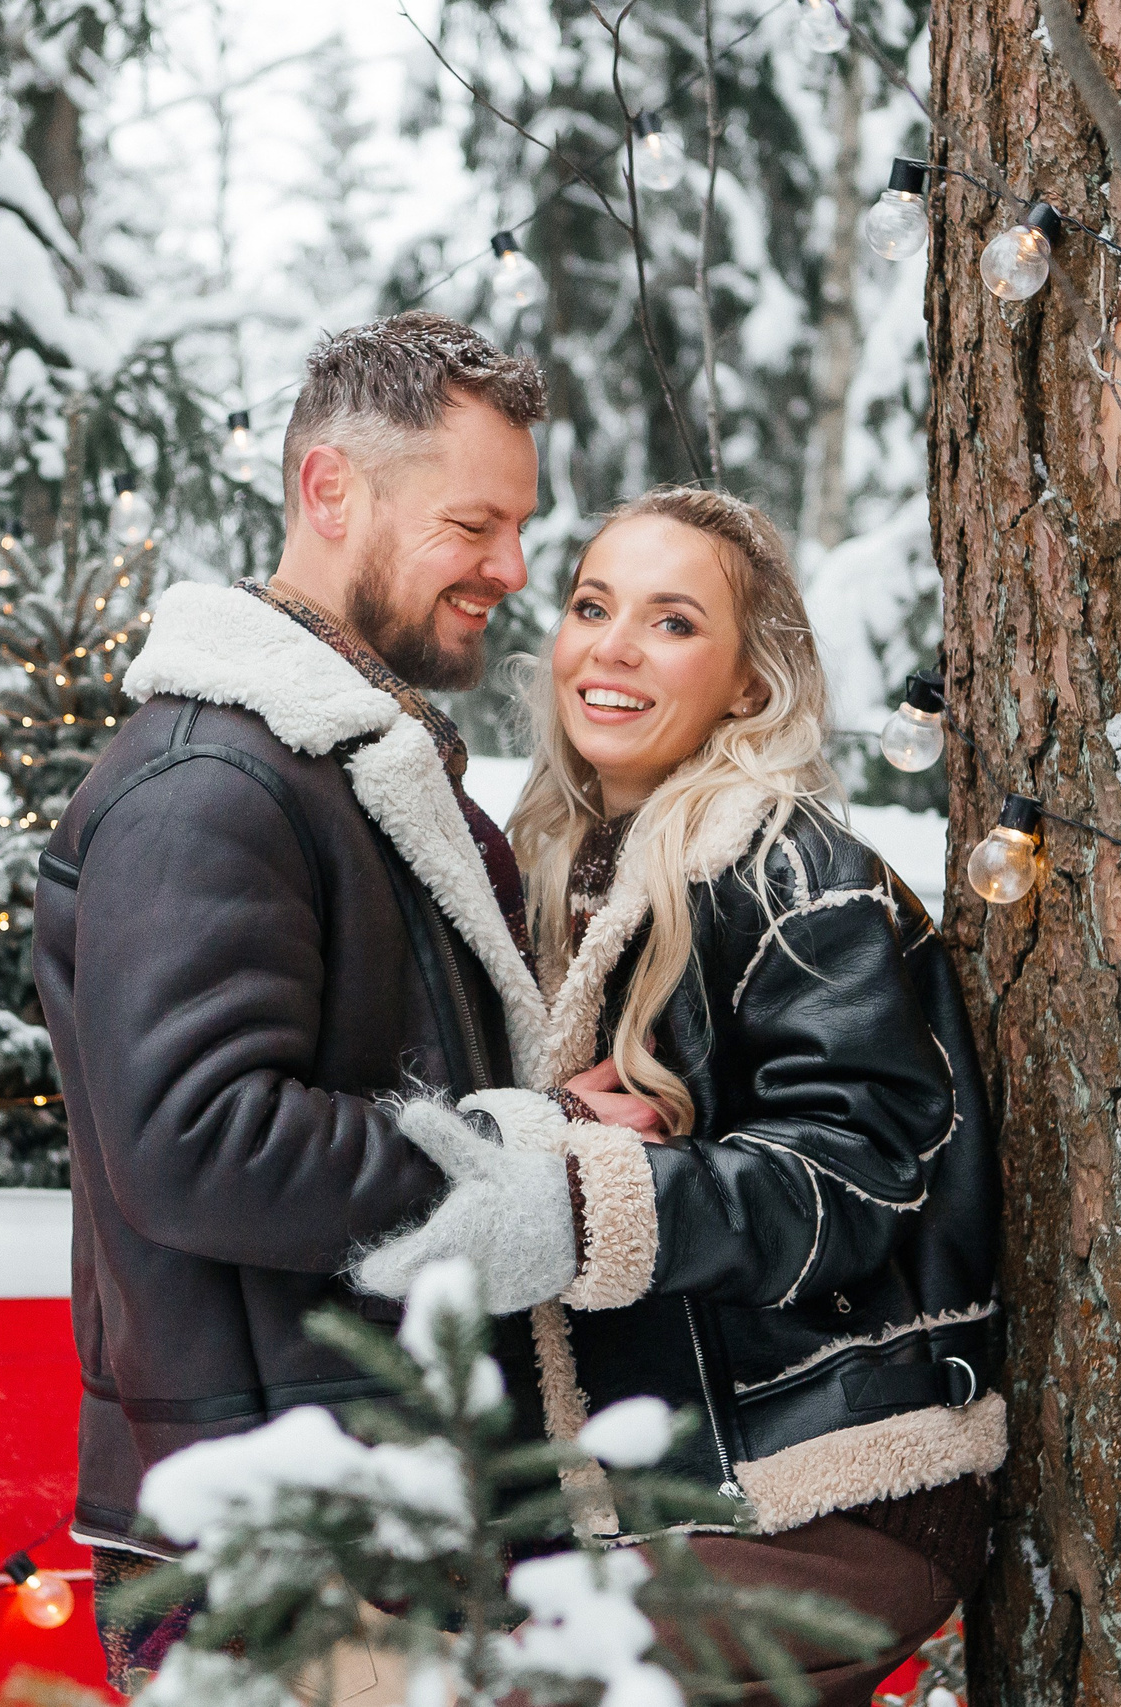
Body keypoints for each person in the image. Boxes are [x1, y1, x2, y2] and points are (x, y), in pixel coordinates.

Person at [32, 313, 650, 1697]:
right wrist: (534, 1152)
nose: (514, 568)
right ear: (330, 490)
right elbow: (200, 1140)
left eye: (520, 525)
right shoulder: (209, 783)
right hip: (281, 1551)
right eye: (476, 523)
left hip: (375, 1513)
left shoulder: (344, 770)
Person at [359, 485, 1003, 1707]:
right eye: (593, 605)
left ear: (749, 684)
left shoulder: (795, 870)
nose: (609, 645)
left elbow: (859, 1172)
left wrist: (598, 1197)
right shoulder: (542, 880)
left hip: (825, 1481)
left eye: (670, 622)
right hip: (642, 1504)